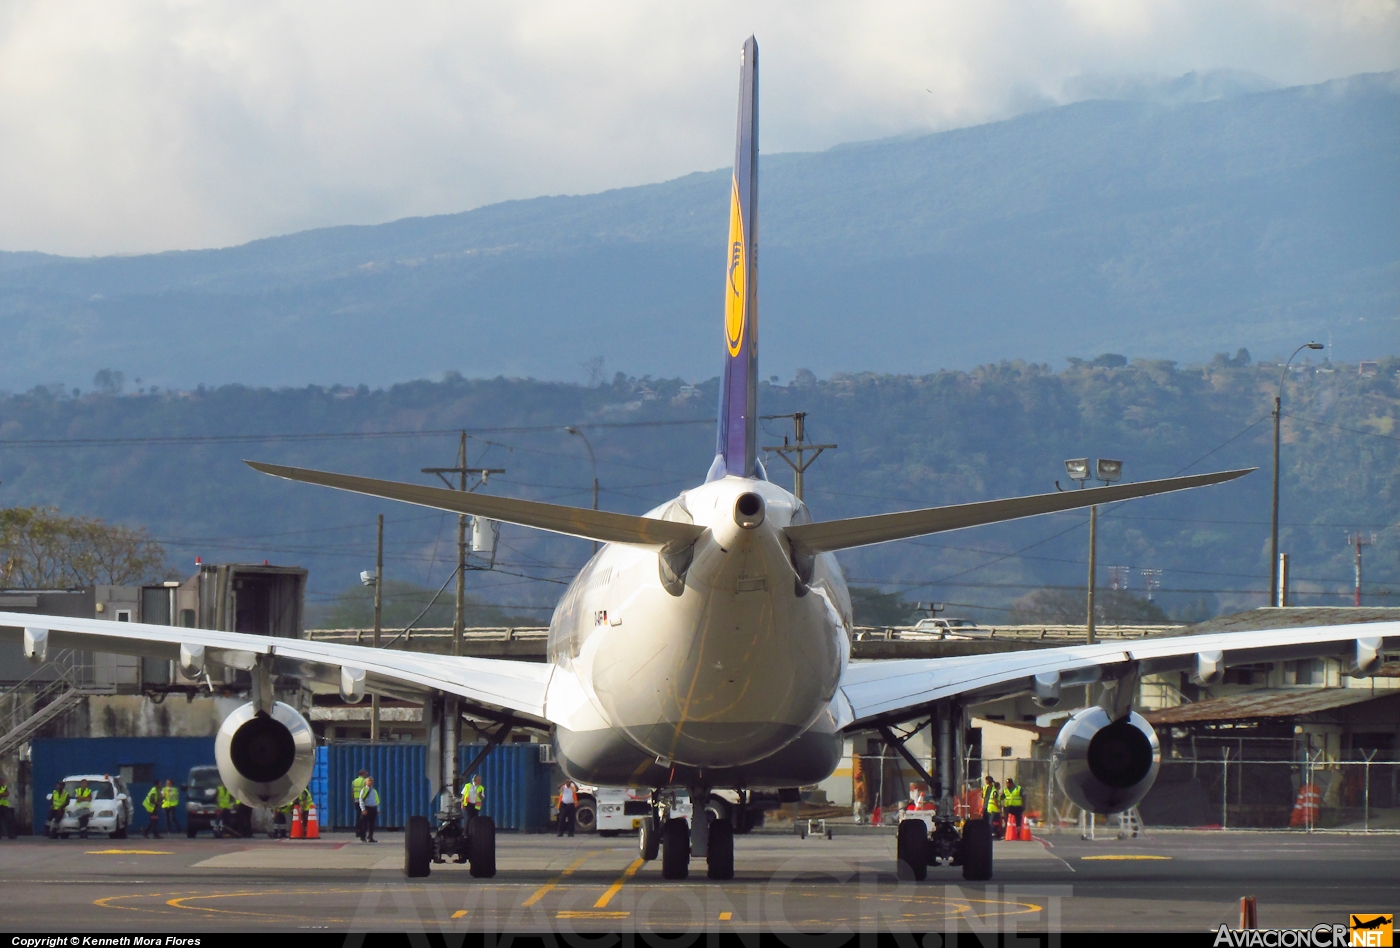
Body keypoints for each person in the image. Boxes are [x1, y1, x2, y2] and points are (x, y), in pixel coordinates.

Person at [358, 777, 379, 842]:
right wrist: (363, 809)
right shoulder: (363, 790)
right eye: (369, 781)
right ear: (366, 782)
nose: (370, 782)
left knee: (372, 824)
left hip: (373, 808)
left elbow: (377, 800)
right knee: (364, 824)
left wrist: (377, 808)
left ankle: (370, 837)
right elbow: (361, 800)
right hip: (366, 808)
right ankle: (363, 837)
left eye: (371, 781)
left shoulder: (374, 791)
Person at [352, 770, 369, 841]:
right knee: (363, 817)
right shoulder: (365, 781)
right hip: (362, 801)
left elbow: (352, 791)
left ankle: (357, 831)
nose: (366, 775)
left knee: (358, 816)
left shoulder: (354, 781)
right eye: (365, 774)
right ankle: (362, 832)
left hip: (356, 800)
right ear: (363, 774)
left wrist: (353, 799)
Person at [0, 771, 15, 840]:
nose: (3, 782)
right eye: (2, 780)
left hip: (5, 807)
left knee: (9, 820)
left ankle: (11, 835)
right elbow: (5, 794)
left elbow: (7, 794)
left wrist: (2, 794)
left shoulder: (4, 787)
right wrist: (3, 794)